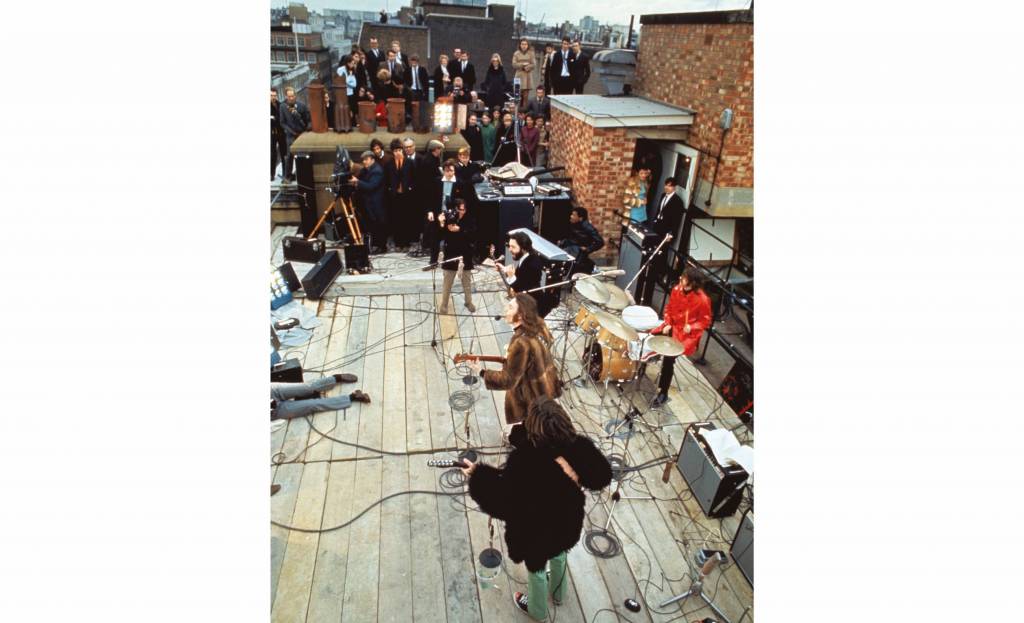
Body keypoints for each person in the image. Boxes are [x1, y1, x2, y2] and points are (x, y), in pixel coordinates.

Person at [460, 397, 611, 620]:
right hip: (566, 523)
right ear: (563, 421)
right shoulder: (579, 446)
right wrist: (576, 474)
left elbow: (502, 501)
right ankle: (559, 593)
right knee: (560, 553)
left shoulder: (524, 460)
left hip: (535, 534)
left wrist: (477, 475)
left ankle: (538, 611)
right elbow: (602, 475)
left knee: (537, 569)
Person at [467, 293, 562, 426]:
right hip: (546, 386)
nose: (506, 310)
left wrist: (481, 372)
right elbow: (544, 344)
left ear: (521, 315)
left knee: (532, 425)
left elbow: (507, 381)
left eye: (510, 307)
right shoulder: (539, 325)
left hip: (532, 396)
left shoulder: (521, 344)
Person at [649, 267, 713, 407]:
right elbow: (669, 309)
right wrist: (667, 323)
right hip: (672, 327)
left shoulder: (703, 300)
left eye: (684, 278)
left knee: (668, 361)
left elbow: (705, 321)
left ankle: (663, 393)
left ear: (692, 282)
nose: (680, 279)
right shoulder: (677, 289)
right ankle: (649, 359)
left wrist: (692, 327)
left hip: (685, 335)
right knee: (648, 337)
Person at [497, 232, 556, 317]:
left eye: (513, 247)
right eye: (509, 246)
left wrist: (511, 277)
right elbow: (522, 279)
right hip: (527, 302)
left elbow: (522, 290)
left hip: (533, 308)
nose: (509, 249)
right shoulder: (526, 257)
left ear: (523, 248)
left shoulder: (533, 264)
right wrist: (504, 269)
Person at [271, 373, 371, 420]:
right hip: (274, 411)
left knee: (307, 387)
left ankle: (335, 378)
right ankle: (352, 397)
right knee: (313, 405)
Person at [437, 198, 477, 314]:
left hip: (465, 253)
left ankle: (468, 301)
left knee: (467, 282)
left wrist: (460, 229)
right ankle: (444, 304)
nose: (462, 212)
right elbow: (439, 235)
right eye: (460, 210)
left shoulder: (469, 218)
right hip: (451, 253)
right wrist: (441, 223)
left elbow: (473, 234)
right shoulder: (448, 216)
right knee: (447, 282)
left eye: (464, 210)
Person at [423, 156, 460, 267]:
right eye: (447, 171)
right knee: (435, 239)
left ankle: (450, 261)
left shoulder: (459, 183)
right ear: (444, 171)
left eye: (451, 171)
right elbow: (430, 198)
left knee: (451, 239)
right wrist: (430, 211)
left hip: (452, 215)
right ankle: (433, 261)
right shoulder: (436, 182)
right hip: (438, 213)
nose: (449, 173)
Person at [350, 150, 388, 253]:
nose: (364, 162)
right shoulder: (366, 169)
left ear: (372, 159)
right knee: (373, 225)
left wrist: (357, 182)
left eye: (366, 160)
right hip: (370, 203)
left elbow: (371, 186)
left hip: (377, 203)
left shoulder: (377, 171)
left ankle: (382, 247)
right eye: (363, 160)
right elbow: (360, 179)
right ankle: (376, 245)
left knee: (379, 225)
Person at [384, 138, 415, 250]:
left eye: (399, 150)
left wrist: (411, 188)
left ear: (402, 150)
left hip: (407, 195)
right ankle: (398, 243)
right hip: (395, 196)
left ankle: (406, 243)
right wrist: (390, 190)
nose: (397, 152)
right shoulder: (389, 164)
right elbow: (387, 180)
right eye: (395, 150)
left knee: (406, 218)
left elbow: (414, 178)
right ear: (392, 152)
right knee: (396, 219)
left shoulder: (409, 162)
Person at [558, 207, 604, 275]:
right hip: (571, 249)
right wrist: (562, 242)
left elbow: (600, 242)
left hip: (578, 253)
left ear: (580, 218)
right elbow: (572, 239)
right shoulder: (574, 224)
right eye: (571, 214)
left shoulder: (588, 228)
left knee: (572, 270)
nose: (571, 216)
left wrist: (588, 249)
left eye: (574, 215)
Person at [279, 86, 310, 184]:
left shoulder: (302, 106)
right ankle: (287, 176)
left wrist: (307, 129)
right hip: (291, 136)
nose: (291, 98)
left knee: (304, 155)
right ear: (286, 96)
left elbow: (308, 119)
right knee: (289, 156)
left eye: (292, 96)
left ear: (295, 95)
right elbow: (282, 122)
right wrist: (291, 132)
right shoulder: (283, 107)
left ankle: (304, 175)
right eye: (289, 96)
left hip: (302, 134)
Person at [512, 38, 535, 108]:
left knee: (525, 96)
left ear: (528, 45)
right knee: (517, 96)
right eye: (522, 44)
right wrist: (523, 65)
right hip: (519, 76)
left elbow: (533, 64)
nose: (524, 46)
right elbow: (514, 64)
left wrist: (527, 67)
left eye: (525, 44)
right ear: (520, 45)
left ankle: (524, 112)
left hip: (527, 76)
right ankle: (516, 111)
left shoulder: (531, 53)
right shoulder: (516, 53)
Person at [271, 88, 286, 181]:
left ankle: (285, 173)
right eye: (271, 95)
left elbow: (281, 118)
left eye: (274, 95)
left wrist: (274, 118)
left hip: (280, 132)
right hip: (271, 132)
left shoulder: (280, 105)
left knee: (284, 153)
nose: (273, 97)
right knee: (272, 153)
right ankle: (271, 174)